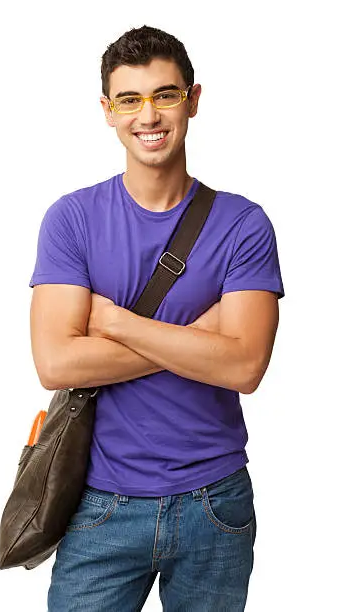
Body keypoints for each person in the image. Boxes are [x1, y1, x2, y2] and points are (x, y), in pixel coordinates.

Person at [29, 24, 284, 612]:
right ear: (108, 111)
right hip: (99, 503)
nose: (149, 115)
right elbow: (57, 362)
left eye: (165, 95)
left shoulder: (243, 225)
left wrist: (113, 322)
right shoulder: (72, 220)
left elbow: (245, 366)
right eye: (130, 99)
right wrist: (201, 338)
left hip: (215, 503)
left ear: (193, 100)